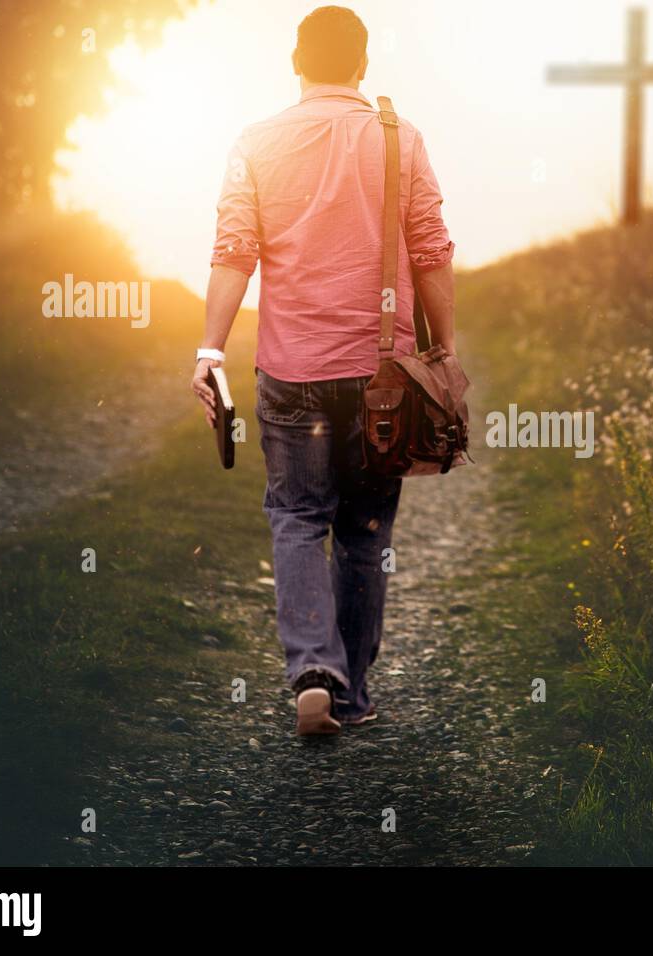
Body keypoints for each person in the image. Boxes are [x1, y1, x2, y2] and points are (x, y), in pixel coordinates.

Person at [190, 5, 456, 735]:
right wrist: (447, 351)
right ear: (362, 66)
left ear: (296, 64)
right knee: (365, 528)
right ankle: (354, 695)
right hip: (384, 376)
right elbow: (432, 249)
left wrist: (209, 352)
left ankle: (313, 666)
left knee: (299, 517)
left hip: (291, 368)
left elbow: (233, 251)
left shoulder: (256, 141)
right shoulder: (402, 139)